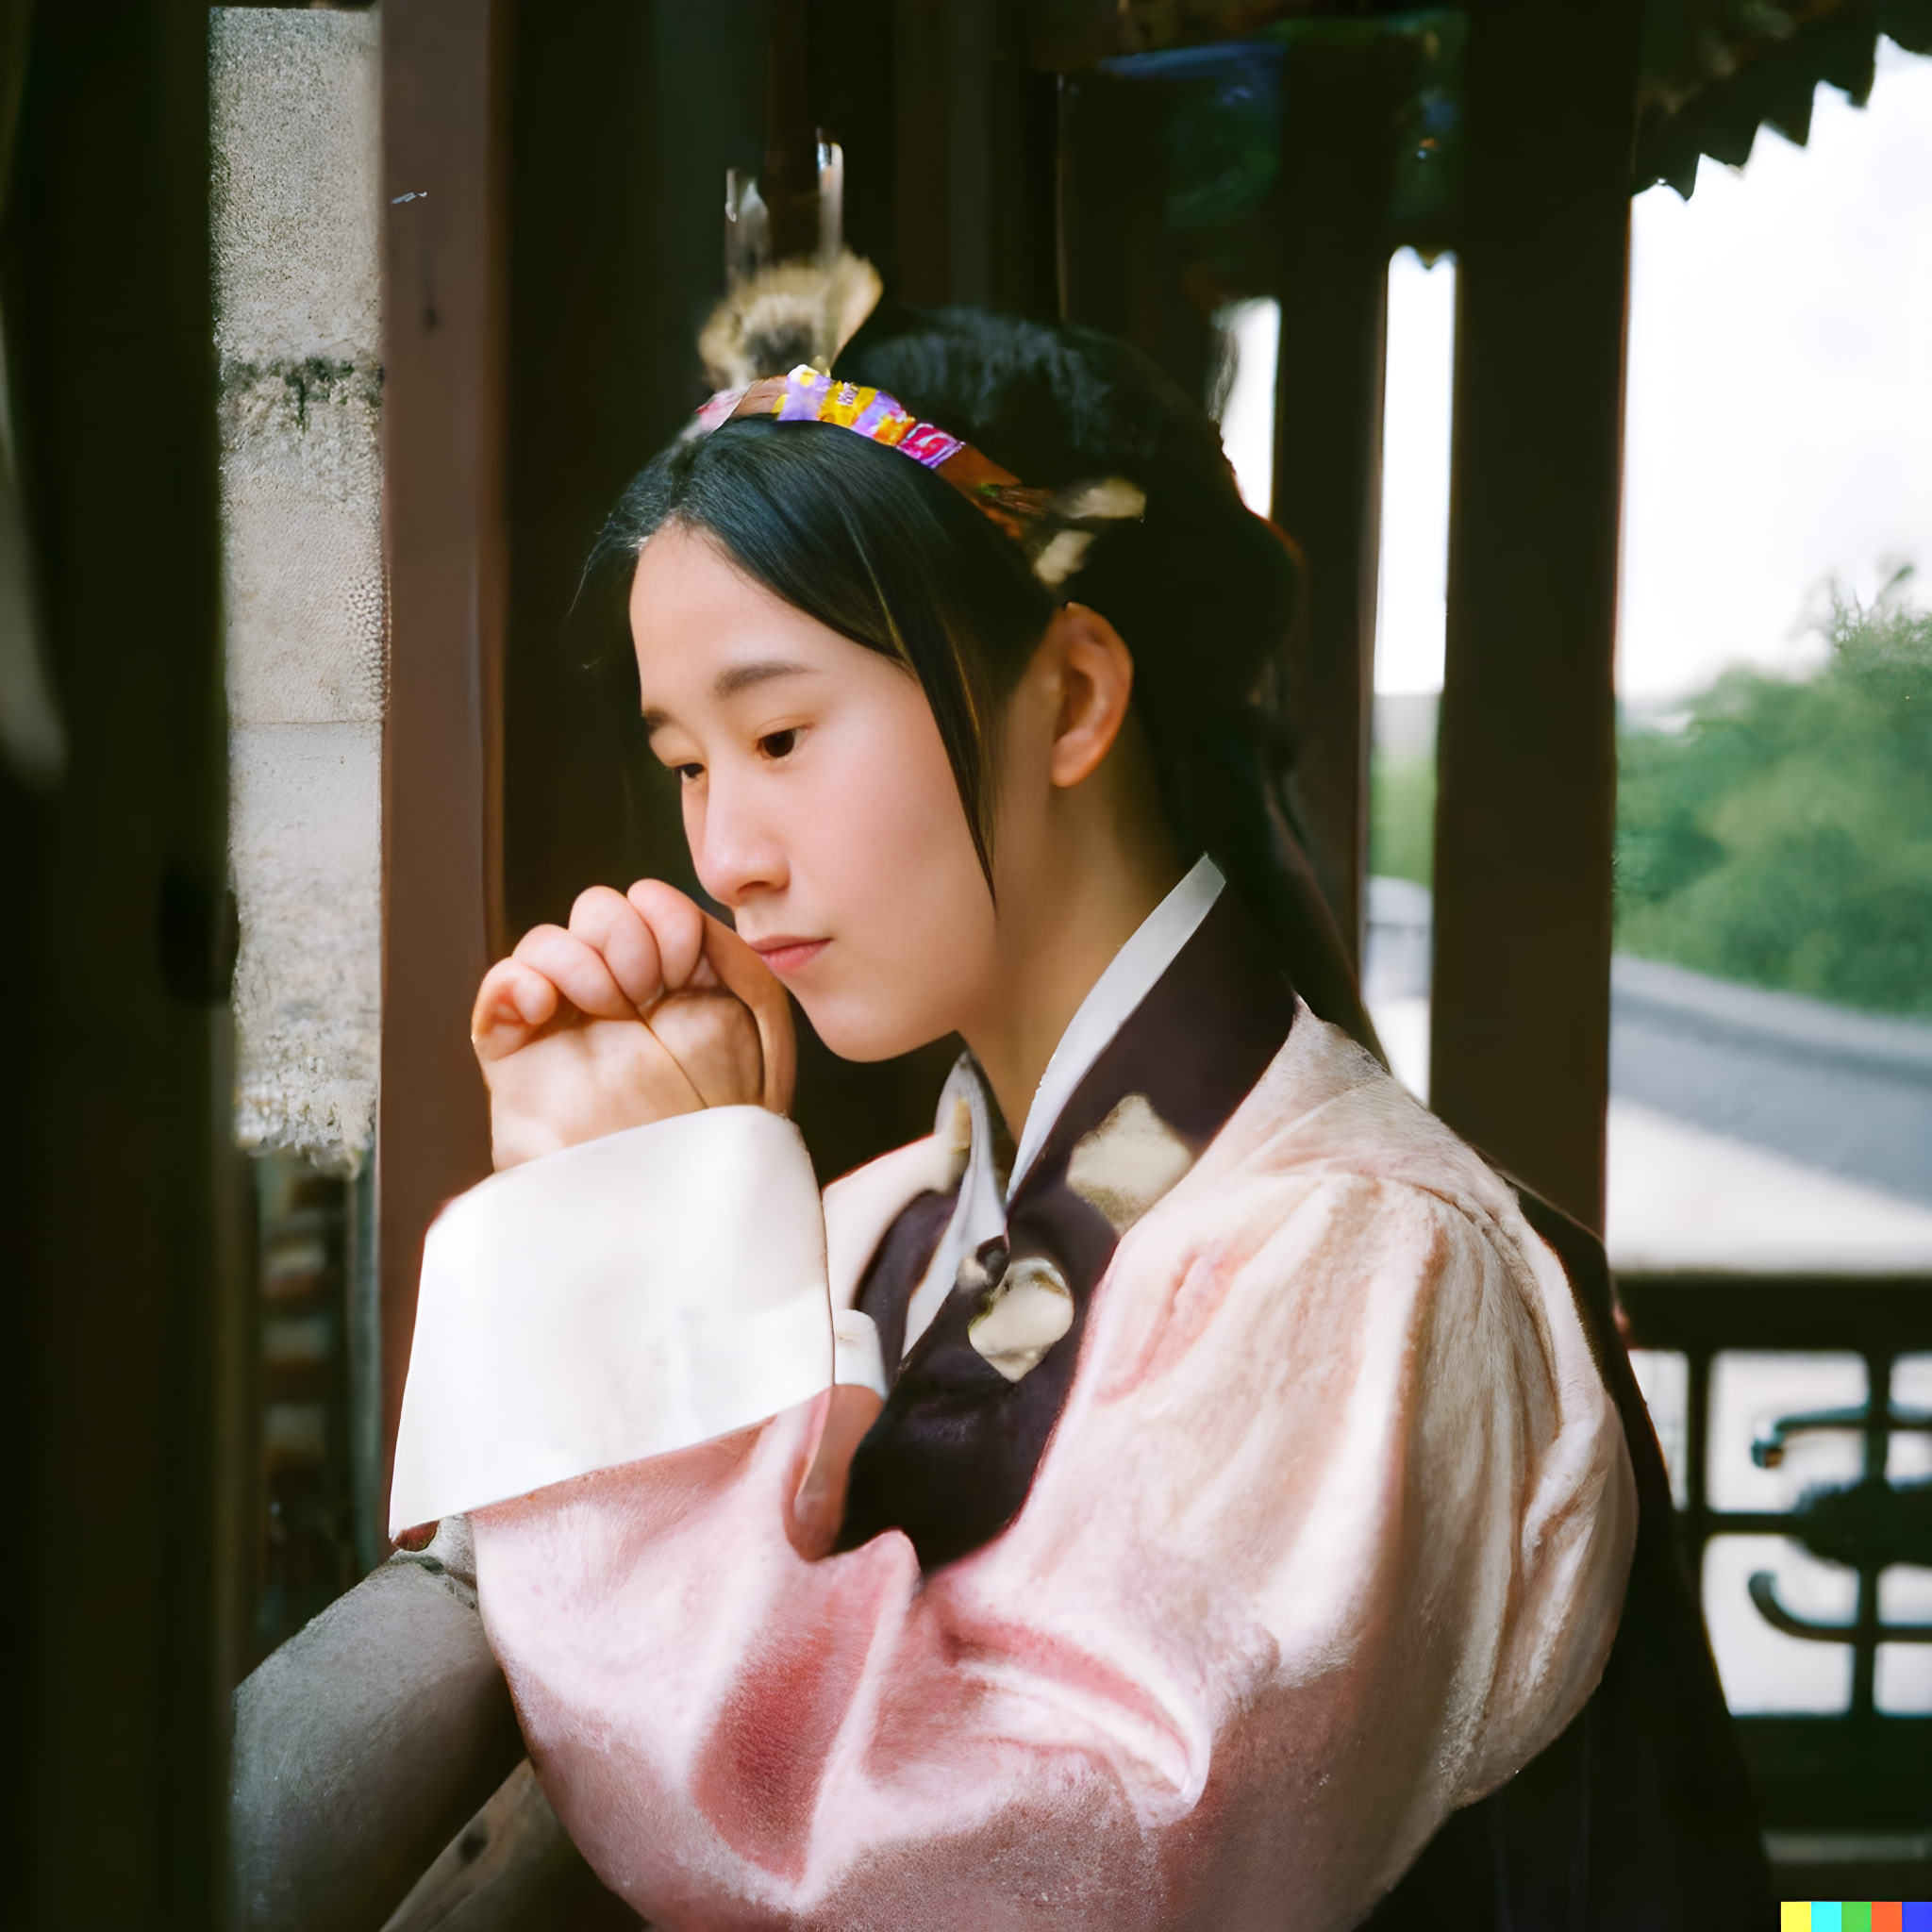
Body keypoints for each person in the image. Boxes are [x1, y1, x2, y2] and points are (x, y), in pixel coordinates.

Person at [362, 275, 1764, 1929]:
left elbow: (987, 1876)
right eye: (690, 764)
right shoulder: (889, 1220)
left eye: (785, 732)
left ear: (1077, 698)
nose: (727, 854)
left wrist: (626, 1259)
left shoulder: (1372, 1263)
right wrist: (637, 1202)